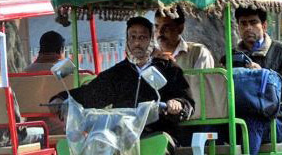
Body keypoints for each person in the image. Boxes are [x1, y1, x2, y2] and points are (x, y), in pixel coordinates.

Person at [51, 16, 194, 142]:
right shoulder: (118, 72)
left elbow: (187, 102)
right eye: (133, 37)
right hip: (122, 137)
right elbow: (91, 93)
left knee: (157, 146)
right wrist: (62, 98)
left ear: (151, 40)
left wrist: (177, 104)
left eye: (142, 37)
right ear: (127, 40)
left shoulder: (168, 68)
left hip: (159, 134)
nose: (137, 43)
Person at [232, 7, 282, 155]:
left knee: (252, 124)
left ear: (264, 26)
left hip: (273, 119)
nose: (248, 28)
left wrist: (266, 76)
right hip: (236, 117)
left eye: (253, 22)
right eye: (243, 24)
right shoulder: (232, 55)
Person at [154, 5, 215, 70]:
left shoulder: (198, 53)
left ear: (180, 28)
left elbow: (201, 80)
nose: (159, 32)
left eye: (166, 27)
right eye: (156, 26)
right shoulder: (150, 55)